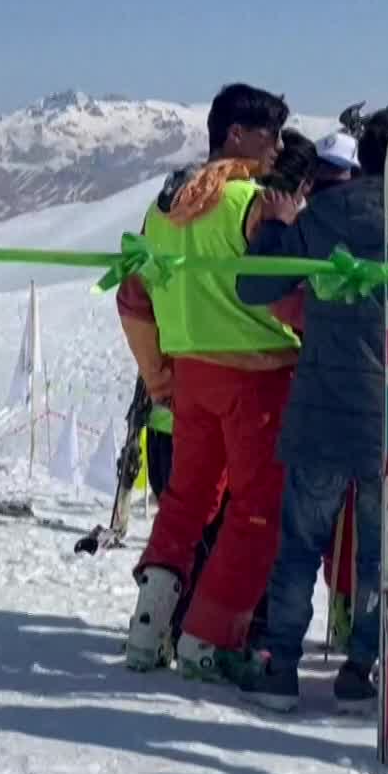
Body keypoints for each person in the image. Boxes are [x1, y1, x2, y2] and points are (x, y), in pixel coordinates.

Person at [236, 106, 388, 711]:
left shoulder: (325, 213)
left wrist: (274, 227)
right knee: (383, 551)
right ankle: (363, 669)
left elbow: (255, 285)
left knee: (299, 542)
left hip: (322, 409)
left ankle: (280, 667)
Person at [117, 82, 296, 683]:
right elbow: (286, 291)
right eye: (269, 134)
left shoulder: (162, 206)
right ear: (237, 135)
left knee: (187, 501)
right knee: (255, 513)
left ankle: (149, 629)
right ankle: (207, 638)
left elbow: (134, 299)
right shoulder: (252, 204)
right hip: (258, 374)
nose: (277, 146)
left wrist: (159, 374)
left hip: (191, 375)